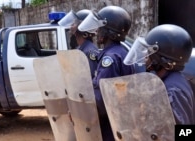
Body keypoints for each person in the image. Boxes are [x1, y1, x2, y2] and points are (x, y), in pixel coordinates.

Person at [78, 6, 135, 141]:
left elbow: (101, 97)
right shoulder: (121, 53)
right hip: (121, 117)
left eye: (99, 29)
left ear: (108, 32)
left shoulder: (110, 58)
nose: (97, 32)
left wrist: (82, 113)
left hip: (110, 120)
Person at [124, 24, 195, 124]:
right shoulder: (166, 81)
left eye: (149, 53)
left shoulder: (172, 90)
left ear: (160, 60)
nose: (145, 56)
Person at [59, 9, 99, 79]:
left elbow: (90, 77)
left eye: (74, 23)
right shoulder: (79, 48)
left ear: (82, 27)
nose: (71, 25)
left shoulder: (90, 52)